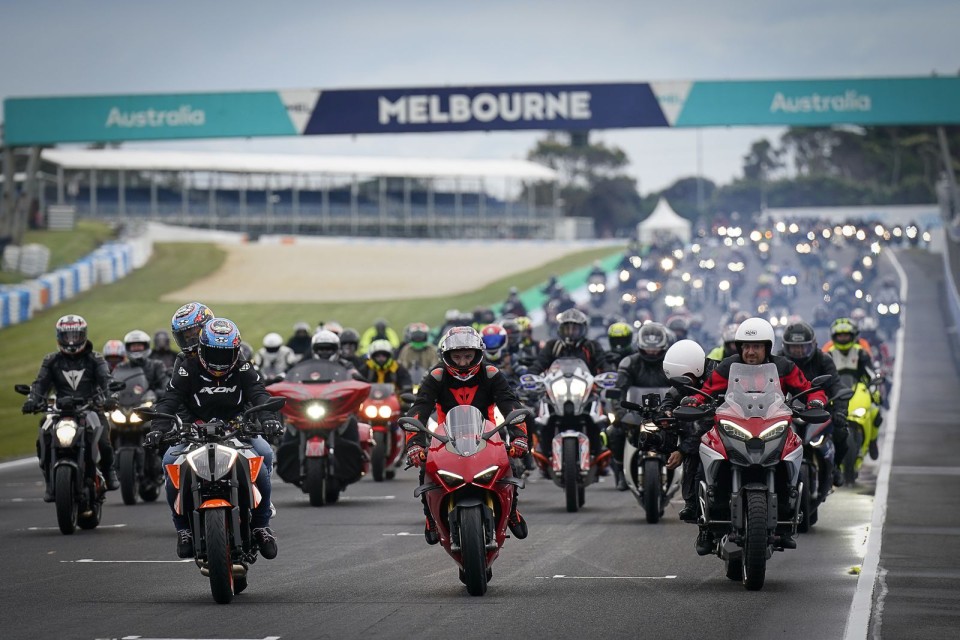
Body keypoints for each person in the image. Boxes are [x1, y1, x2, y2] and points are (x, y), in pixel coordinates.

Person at [682, 317, 827, 554]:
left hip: (773, 425)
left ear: (767, 347)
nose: (750, 352)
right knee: (704, 453)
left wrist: (816, 401)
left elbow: (809, 388)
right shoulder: (728, 366)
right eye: (746, 347)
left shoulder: (784, 367)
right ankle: (704, 525)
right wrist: (693, 400)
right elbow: (706, 390)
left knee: (796, 460)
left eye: (756, 346)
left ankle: (790, 519)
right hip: (734, 424)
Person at [145, 318, 283, 560]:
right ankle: (183, 529)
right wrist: (157, 428)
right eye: (213, 353)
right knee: (169, 461)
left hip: (237, 428)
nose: (219, 362)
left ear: (236, 350)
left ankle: (261, 525)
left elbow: (259, 394)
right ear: (201, 348)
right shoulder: (187, 366)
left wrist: (268, 419)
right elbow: (170, 399)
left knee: (265, 454)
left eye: (226, 354)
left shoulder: (242, 367)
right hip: (194, 429)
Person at [405, 326, 529, 544]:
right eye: (457, 356)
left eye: (468, 356)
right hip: (446, 437)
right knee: (426, 466)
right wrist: (414, 445)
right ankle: (430, 517)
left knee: (510, 462)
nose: (462, 362)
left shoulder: (491, 373)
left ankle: (511, 511)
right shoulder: (436, 375)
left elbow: (510, 405)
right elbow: (419, 410)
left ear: (478, 354)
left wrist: (519, 437)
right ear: (447, 356)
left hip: (487, 434)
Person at [22, 315, 120, 499]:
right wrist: (32, 400)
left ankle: (108, 472)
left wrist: (111, 398)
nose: (71, 340)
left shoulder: (95, 359)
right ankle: (50, 481)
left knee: (105, 443)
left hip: (90, 408)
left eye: (75, 335)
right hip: (60, 411)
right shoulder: (51, 360)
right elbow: (40, 384)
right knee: (43, 437)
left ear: (84, 335)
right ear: (59, 337)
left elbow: (107, 381)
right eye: (67, 336)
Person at [780, 321, 850, 486]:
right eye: (794, 347)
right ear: (786, 347)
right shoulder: (778, 360)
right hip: (786, 412)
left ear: (812, 345)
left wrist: (840, 411)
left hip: (821, 412)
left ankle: (836, 468)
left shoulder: (823, 359)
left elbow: (836, 386)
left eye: (803, 347)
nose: (798, 351)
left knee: (842, 432)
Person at [608, 323, 672, 491]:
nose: (652, 352)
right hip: (636, 413)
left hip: (666, 413)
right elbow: (619, 390)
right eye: (648, 348)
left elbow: (681, 389)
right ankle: (621, 472)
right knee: (613, 432)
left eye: (656, 348)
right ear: (640, 346)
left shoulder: (671, 363)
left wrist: (679, 409)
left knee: (694, 432)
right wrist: (620, 413)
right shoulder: (629, 363)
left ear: (664, 346)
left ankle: (691, 476)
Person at [659, 339, 712, 521]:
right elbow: (670, 397)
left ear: (697, 369)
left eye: (684, 379)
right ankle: (695, 506)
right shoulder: (682, 387)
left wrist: (682, 450)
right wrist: (664, 414)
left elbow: (707, 426)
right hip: (696, 445)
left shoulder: (718, 377)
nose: (680, 385)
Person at [822, 317, 882, 458]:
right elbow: (822, 375)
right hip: (835, 393)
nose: (843, 338)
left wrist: (875, 389)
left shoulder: (861, 353)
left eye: (846, 335)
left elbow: (870, 373)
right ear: (834, 337)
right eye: (840, 335)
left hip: (858, 390)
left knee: (875, 413)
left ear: (853, 336)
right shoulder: (828, 354)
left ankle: (873, 442)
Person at [528, 308, 608, 376]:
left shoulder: (592, 346)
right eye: (567, 329)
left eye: (574, 329)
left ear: (583, 330)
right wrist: (530, 377)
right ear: (560, 330)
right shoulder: (553, 346)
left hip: (588, 390)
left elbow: (604, 365)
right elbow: (539, 364)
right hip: (556, 389)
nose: (570, 333)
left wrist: (610, 376)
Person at [123, 329, 169, 396]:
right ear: (128, 348)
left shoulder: (157, 365)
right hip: (127, 402)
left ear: (146, 346)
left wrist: (155, 393)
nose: (136, 348)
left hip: (152, 403)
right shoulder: (122, 367)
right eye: (133, 346)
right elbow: (114, 385)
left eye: (139, 345)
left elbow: (165, 384)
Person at [170, 301, 215, 369]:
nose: (191, 342)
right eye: (187, 337)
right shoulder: (182, 360)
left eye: (195, 335)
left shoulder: (230, 352)